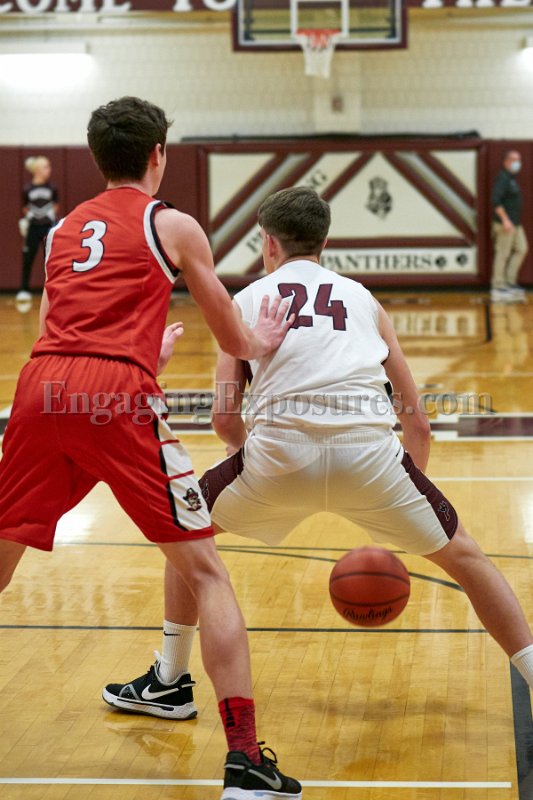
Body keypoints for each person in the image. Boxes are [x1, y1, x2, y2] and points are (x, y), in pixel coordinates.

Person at [104, 187, 533, 731]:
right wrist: (404, 498)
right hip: (372, 461)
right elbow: (418, 424)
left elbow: (224, 418)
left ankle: (169, 679)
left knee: (188, 533)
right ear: (325, 243)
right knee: (468, 560)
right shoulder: (364, 300)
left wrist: (247, 456)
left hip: (276, 459)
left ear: (268, 243)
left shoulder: (245, 301)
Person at [0, 97, 302, 800]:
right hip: (116, 395)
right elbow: (228, 328)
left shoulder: (63, 228)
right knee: (206, 573)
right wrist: (259, 341)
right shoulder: (171, 223)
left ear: (96, 155)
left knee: (2, 549)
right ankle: (244, 761)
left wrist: (139, 355)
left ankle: (175, 694)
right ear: (158, 154)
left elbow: (54, 324)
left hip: (42, 386)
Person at [17, 155, 59, 303]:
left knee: (49, 260)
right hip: (33, 228)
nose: (49, 170)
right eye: (46, 167)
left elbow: (56, 205)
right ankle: (24, 289)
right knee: (28, 258)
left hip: (47, 228)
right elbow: (24, 207)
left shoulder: (52, 188)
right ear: (37, 170)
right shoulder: (27, 189)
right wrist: (29, 217)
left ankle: (51, 289)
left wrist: (49, 214)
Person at [491, 150, 528, 303]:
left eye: (519, 160)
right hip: (505, 223)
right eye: (514, 160)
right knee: (503, 253)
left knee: (522, 248)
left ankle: (510, 281)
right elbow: (495, 201)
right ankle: (498, 285)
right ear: (506, 161)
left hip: (516, 223)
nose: (517, 163)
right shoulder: (502, 178)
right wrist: (505, 220)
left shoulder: (512, 179)